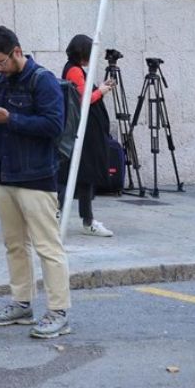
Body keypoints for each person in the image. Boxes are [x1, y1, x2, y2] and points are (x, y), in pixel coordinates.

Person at [0, 25, 73, 340]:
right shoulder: (0, 83)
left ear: (17, 51)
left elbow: (54, 125)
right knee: (14, 244)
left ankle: (58, 311)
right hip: (4, 173)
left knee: (47, 245)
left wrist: (10, 119)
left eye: (2, 62)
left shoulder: (42, 80)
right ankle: (21, 303)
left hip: (36, 175)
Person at [58, 34, 115, 238]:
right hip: (85, 131)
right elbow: (85, 99)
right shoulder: (74, 70)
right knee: (79, 174)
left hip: (87, 130)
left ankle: (85, 218)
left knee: (83, 176)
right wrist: (101, 90)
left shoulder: (74, 69)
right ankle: (72, 217)